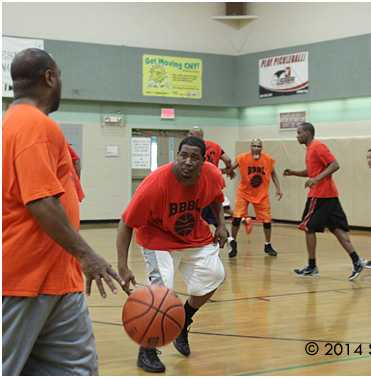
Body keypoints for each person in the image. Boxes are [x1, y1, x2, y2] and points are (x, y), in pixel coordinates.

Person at [2, 48, 124, 376]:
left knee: (78, 371)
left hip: (60, 279)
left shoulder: (19, 123)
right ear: (49, 77)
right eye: (61, 77)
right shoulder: (32, 124)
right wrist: (87, 255)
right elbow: (40, 201)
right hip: (24, 280)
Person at [116, 136, 227, 373]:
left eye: (194, 157)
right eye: (183, 155)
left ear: (203, 160)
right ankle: (146, 351)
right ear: (176, 156)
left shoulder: (212, 175)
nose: (187, 161)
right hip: (159, 240)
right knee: (161, 295)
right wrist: (123, 266)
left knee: (213, 277)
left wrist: (221, 225)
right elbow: (125, 223)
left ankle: (184, 321)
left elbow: (217, 198)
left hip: (194, 236)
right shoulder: (155, 184)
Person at [283, 123, 366, 280]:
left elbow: (334, 165)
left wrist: (316, 179)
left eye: (299, 133)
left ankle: (312, 266)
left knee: (308, 227)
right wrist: (294, 173)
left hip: (320, 195)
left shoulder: (318, 147)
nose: (297, 136)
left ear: (308, 133)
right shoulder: (310, 150)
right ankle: (357, 261)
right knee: (337, 229)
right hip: (329, 195)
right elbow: (312, 172)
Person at [225, 138, 282, 258]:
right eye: (254, 146)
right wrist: (221, 171)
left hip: (261, 194)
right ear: (250, 147)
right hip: (244, 193)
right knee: (236, 218)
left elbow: (274, 174)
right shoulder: (242, 158)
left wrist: (278, 188)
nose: (256, 148)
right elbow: (230, 168)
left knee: (267, 221)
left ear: (262, 148)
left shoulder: (268, 159)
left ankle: (268, 245)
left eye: (259, 146)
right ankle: (233, 243)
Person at [188, 126, 237, 254]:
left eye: (190, 134)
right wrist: (228, 170)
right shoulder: (215, 146)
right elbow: (228, 160)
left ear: (197, 136)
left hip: (200, 186)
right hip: (215, 184)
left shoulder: (192, 149)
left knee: (198, 219)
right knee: (216, 216)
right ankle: (230, 238)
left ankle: (203, 248)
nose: (188, 137)